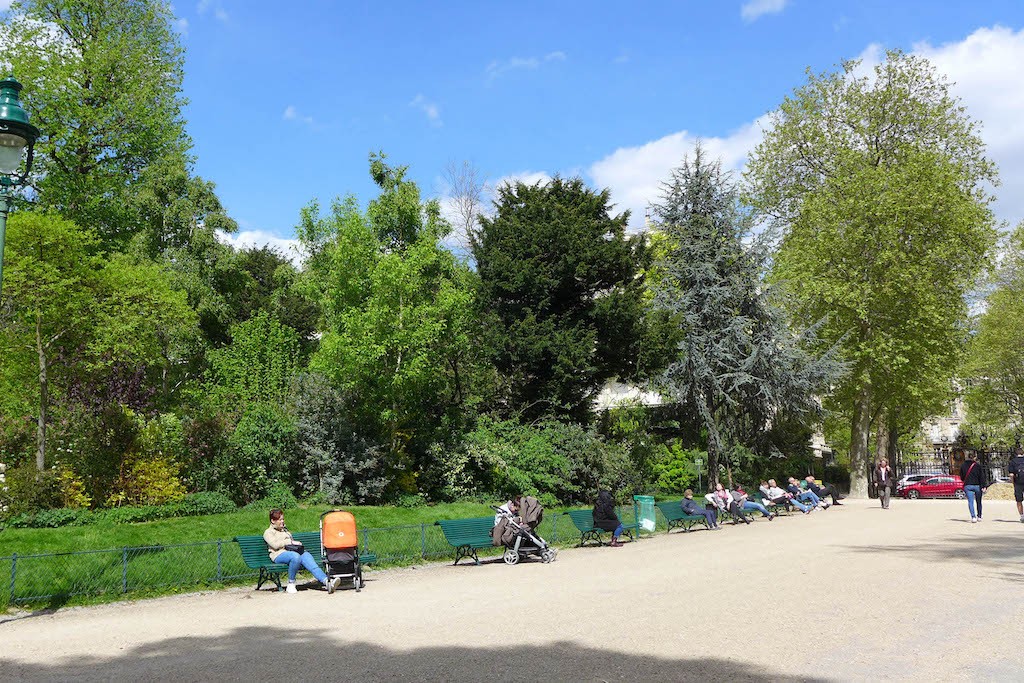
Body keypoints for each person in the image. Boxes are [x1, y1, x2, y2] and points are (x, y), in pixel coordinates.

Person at [263, 508, 338, 594]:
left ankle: (327, 582)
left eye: (283, 519)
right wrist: (290, 542)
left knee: (306, 555)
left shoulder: (284, 530)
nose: (282, 521)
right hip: (278, 554)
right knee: (295, 557)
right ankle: (291, 584)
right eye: (280, 520)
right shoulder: (268, 532)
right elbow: (275, 545)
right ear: (273, 521)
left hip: (291, 552)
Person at [959, 452, 988, 523]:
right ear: (974, 458)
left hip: (968, 485)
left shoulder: (963, 465)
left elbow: (962, 476)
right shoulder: (977, 466)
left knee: (970, 502)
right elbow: (982, 477)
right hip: (977, 485)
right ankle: (979, 516)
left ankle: (973, 517)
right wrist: (984, 486)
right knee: (979, 501)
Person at [1009, 448, 1024, 523]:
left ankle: (1022, 516)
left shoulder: (1013, 461)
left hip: (1018, 482)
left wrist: (1012, 482)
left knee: (1019, 500)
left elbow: (1011, 474)